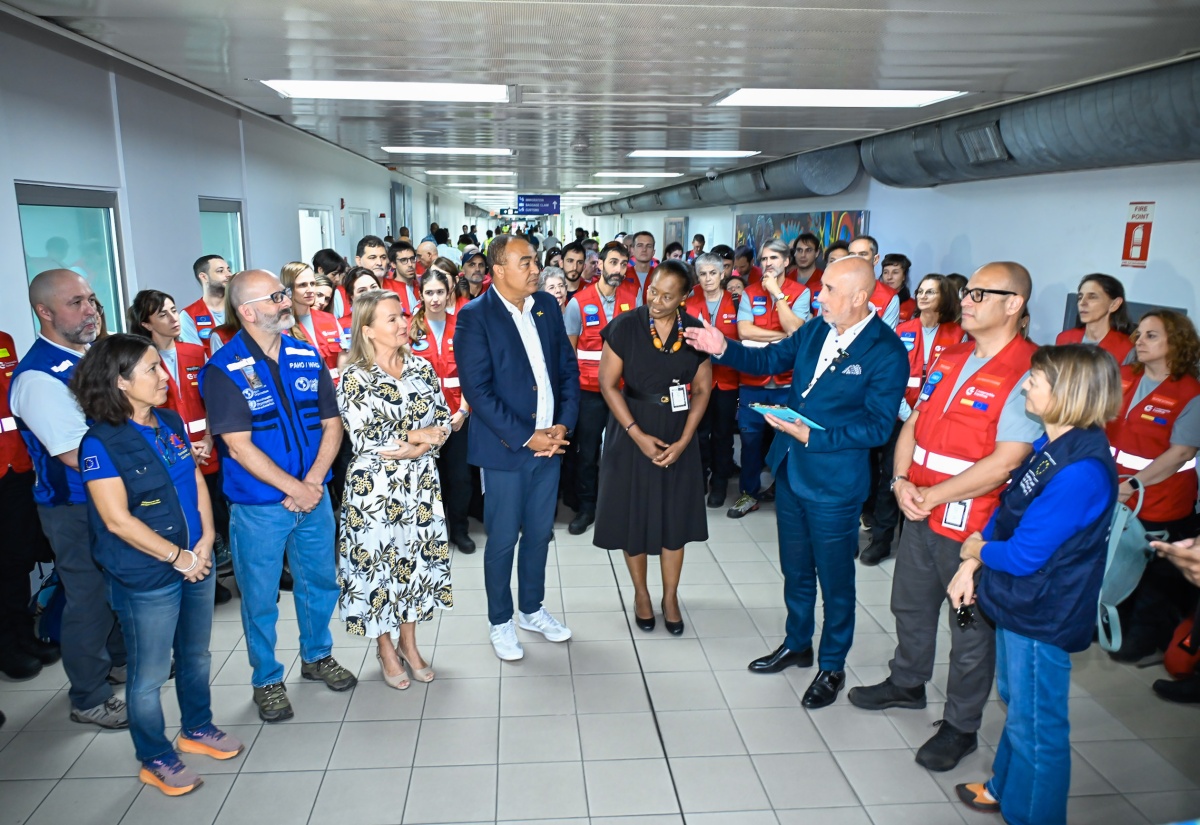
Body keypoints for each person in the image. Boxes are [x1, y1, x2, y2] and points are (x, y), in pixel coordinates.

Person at [684, 256, 909, 708]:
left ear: (859, 299)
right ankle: (798, 643)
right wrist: (722, 347)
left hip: (834, 484)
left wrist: (813, 434)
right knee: (796, 570)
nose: (818, 297)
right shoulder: (816, 329)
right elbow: (770, 356)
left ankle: (832, 665)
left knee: (836, 579)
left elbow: (879, 427)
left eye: (827, 290)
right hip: (790, 471)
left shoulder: (886, 352)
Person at [849, 263, 1042, 773]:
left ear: (1014, 304)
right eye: (968, 290)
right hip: (920, 513)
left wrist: (930, 497)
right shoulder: (952, 355)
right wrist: (900, 482)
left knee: (969, 629)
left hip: (974, 532)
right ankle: (907, 683)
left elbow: (1005, 461)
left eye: (981, 293)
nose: (968, 298)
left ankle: (960, 725)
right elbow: (914, 423)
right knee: (909, 604)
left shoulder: (1030, 369)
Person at [949, 345, 1121, 825]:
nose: (1026, 385)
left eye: (1036, 380)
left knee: (1038, 727)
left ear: (1068, 393)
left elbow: (1024, 555)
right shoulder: (1056, 446)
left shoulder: (1080, 471)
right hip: (1021, 601)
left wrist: (974, 552)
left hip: (1043, 612)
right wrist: (976, 557)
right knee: (1018, 704)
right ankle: (1006, 787)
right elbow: (1012, 511)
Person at [73, 334, 245, 796]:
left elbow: (192, 477)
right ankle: (153, 756)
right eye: (151, 369)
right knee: (149, 674)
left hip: (195, 559)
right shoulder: (100, 443)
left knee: (196, 655)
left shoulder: (168, 420)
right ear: (120, 381)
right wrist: (179, 557)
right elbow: (116, 520)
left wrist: (207, 540)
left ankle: (196, 728)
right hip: (147, 573)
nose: (164, 376)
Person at [199, 270, 355, 722]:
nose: (287, 302)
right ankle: (266, 679)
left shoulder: (305, 355)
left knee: (320, 581)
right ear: (247, 312)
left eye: (284, 294)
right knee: (261, 596)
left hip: (314, 496)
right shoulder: (224, 369)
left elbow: (332, 423)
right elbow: (237, 444)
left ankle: (316, 655)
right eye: (276, 297)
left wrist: (313, 483)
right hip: (259, 506)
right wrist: (295, 488)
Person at [10, 270, 128, 728]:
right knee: (87, 598)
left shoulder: (90, 357)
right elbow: (78, 454)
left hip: (107, 497)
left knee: (115, 586)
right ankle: (89, 696)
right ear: (44, 312)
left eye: (92, 300)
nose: (91, 311)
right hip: (73, 506)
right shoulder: (39, 376)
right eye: (76, 302)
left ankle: (116, 661)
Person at [456, 235, 580, 661]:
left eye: (535, 260)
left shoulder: (546, 307)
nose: (535, 269)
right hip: (507, 449)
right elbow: (478, 390)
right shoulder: (475, 317)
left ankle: (531, 608)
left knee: (541, 534)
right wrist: (529, 436)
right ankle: (501, 621)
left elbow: (566, 368)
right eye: (524, 262)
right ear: (498, 270)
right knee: (504, 538)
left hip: (552, 444)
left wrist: (562, 425)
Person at [337, 290, 451, 689]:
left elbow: (444, 422)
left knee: (415, 565)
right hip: (374, 494)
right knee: (379, 570)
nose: (404, 323)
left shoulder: (421, 368)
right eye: (392, 319)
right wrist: (417, 435)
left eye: (402, 315)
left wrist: (419, 442)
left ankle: (410, 643)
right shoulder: (354, 377)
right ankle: (385, 647)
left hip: (420, 486)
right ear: (368, 331)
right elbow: (366, 438)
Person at [595, 260, 711, 634]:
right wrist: (637, 434)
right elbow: (608, 384)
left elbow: (702, 390)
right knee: (635, 517)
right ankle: (642, 594)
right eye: (653, 291)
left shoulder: (695, 332)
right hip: (633, 431)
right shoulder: (626, 326)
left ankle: (670, 596)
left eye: (667, 296)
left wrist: (684, 440)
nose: (657, 301)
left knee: (674, 519)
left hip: (678, 433)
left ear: (685, 297)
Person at [1105, 309, 1200, 661]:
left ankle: (1145, 640)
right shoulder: (1125, 375)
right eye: (1139, 335)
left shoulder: (1189, 392)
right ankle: (1114, 622)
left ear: (1175, 343)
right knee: (1117, 562)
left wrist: (1133, 482)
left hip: (1161, 499)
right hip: (1118, 494)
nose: (1139, 341)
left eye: (1151, 335)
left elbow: (1180, 453)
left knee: (1154, 576)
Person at [128, 290, 233, 605]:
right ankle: (197, 578)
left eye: (175, 311)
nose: (175, 319)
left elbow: (212, 401)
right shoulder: (141, 360)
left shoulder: (194, 352)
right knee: (186, 517)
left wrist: (210, 439)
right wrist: (185, 447)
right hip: (172, 455)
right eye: (163, 314)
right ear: (146, 323)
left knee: (218, 514)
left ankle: (213, 573)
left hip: (208, 450)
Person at [861, 275, 965, 565]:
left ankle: (909, 541)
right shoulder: (903, 329)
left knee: (921, 479)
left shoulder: (958, 335)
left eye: (930, 292)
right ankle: (881, 538)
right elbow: (888, 375)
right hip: (899, 414)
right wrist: (908, 414)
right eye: (920, 291)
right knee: (892, 476)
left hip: (936, 420)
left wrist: (924, 416)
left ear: (944, 297)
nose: (922, 296)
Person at [727, 239, 811, 518]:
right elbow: (744, 331)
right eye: (763, 259)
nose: (768, 264)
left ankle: (786, 494)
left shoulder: (801, 293)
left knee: (787, 442)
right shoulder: (749, 292)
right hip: (753, 381)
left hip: (787, 383)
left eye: (774, 258)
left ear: (787, 262)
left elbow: (796, 329)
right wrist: (783, 338)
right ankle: (748, 494)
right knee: (750, 441)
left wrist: (777, 293)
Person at [564, 240, 641, 535]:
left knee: (624, 449)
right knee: (587, 453)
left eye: (624, 264)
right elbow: (570, 356)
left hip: (622, 390)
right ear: (600, 265)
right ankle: (587, 508)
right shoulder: (578, 303)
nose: (618, 270)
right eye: (613, 263)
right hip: (589, 392)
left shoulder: (632, 299)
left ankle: (620, 504)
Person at [0, 331, 56, 680]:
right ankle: (5, 645)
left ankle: (23, 635)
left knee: (17, 560)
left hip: (15, 468)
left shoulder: (3, 340)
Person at [410, 267, 475, 553]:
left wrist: (462, 412)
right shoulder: (411, 330)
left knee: (459, 478)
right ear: (420, 295)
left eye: (439, 292)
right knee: (429, 478)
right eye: (429, 293)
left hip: (457, 416)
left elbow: (472, 373)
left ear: (448, 293)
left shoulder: (462, 325)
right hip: (424, 423)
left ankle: (459, 530)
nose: (435, 298)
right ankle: (433, 533)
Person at [685, 252, 740, 508]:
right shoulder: (688, 300)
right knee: (699, 433)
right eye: (703, 273)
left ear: (723, 274)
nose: (707, 279)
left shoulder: (737, 302)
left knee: (723, 434)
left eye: (713, 273)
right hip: (697, 381)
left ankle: (719, 483)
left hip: (727, 381)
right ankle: (698, 479)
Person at [280, 262, 347, 380]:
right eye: (302, 285)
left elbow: (344, 363)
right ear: (289, 289)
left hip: (335, 390)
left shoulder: (330, 320)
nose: (310, 290)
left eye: (313, 284)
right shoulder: (281, 325)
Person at [1054, 273, 1134, 363]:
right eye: (1080, 297)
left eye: (1092, 297)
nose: (1082, 303)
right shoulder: (1064, 339)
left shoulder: (1126, 348)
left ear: (1114, 304)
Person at [179, 255, 232, 353]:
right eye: (220, 271)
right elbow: (194, 356)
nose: (228, 274)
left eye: (229, 270)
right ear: (204, 277)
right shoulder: (188, 315)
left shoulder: (240, 307)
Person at [847, 235, 901, 329]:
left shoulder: (890, 297)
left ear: (875, 259)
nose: (857, 259)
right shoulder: (835, 290)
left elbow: (884, 338)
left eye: (863, 254)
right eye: (852, 255)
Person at [338, 268, 383, 339]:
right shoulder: (340, 325)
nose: (370, 293)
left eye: (374, 287)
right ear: (352, 296)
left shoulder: (394, 318)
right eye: (362, 290)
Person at [383, 241, 421, 314]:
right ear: (393, 264)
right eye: (403, 260)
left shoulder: (421, 286)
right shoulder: (388, 291)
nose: (410, 264)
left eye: (412, 259)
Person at [881, 253, 915, 322]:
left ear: (904, 276)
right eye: (885, 272)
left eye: (895, 272)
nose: (889, 277)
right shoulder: (872, 300)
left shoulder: (913, 306)